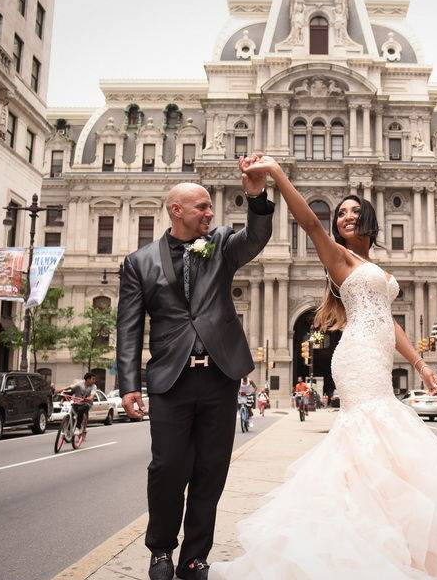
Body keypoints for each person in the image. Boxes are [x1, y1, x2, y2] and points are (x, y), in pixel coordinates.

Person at [209, 154, 437, 579]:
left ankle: (380, 539)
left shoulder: (372, 267)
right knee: (368, 434)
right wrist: (278, 174)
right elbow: (309, 224)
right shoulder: (337, 256)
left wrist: (421, 364)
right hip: (357, 358)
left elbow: (389, 321)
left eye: (354, 210)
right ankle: (356, 541)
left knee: (383, 450)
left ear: (368, 218)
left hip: (375, 351)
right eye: (340, 213)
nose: (346, 216)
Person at [116, 174, 274, 580]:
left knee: (210, 470)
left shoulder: (221, 243)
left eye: (210, 207)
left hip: (219, 376)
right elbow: (129, 326)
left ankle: (194, 558)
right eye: (202, 207)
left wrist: (255, 196)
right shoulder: (139, 263)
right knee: (167, 468)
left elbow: (256, 236)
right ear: (176, 210)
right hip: (171, 380)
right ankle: (161, 549)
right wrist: (130, 384)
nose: (210, 212)